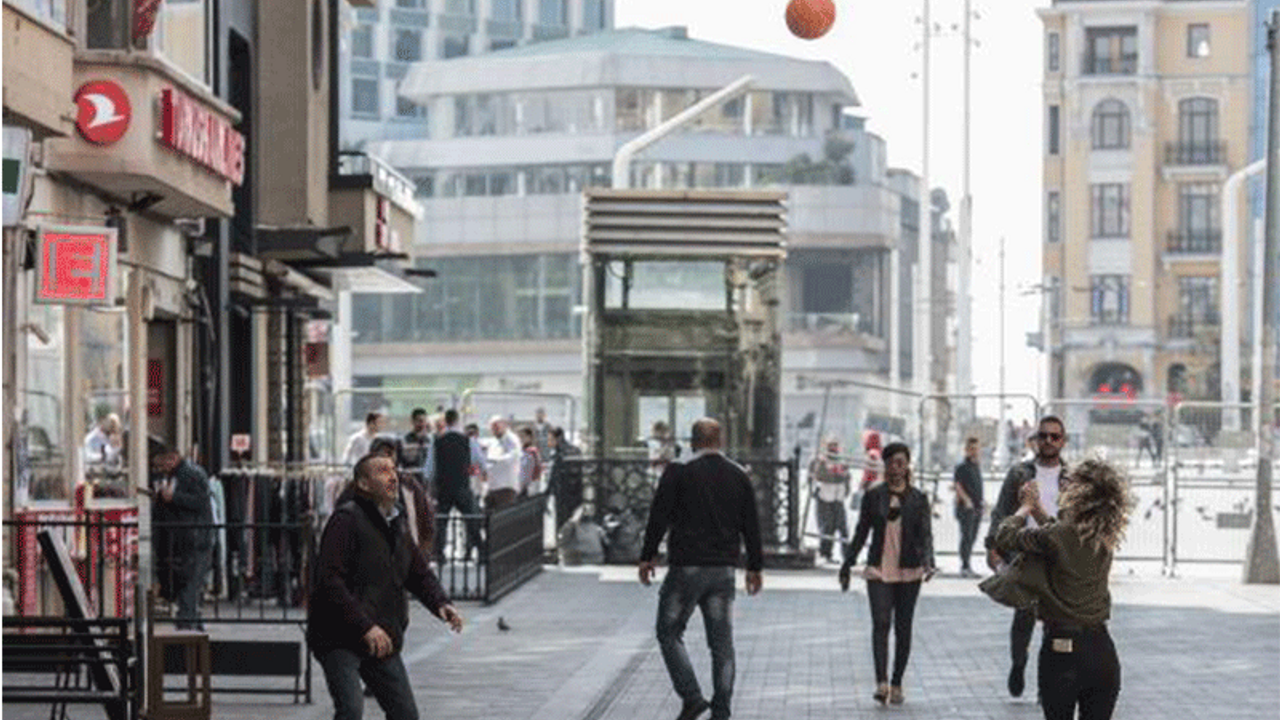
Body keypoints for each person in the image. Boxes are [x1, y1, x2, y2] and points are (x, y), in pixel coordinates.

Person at [308, 453, 464, 720]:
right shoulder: (345, 520)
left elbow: (417, 573)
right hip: (338, 635)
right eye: (382, 471)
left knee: (405, 714)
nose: (392, 476)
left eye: (393, 470)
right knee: (350, 710)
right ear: (364, 484)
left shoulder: (397, 523)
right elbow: (330, 582)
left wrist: (441, 603)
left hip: (382, 633)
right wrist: (365, 626)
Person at [639, 418, 763, 720]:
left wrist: (648, 556)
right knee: (721, 643)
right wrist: (754, 567)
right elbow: (751, 524)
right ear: (720, 440)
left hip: (687, 567)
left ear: (693, 441)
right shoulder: (738, 474)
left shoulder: (678, 471)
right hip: (723, 570)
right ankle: (721, 709)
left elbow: (659, 515)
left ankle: (692, 697)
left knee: (668, 631)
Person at [989, 458, 1132, 720]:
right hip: (1102, 651)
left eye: (1069, 481)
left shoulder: (1059, 535)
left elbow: (1005, 537)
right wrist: (1038, 510)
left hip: (1062, 652)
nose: (1063, 483)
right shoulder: (1102, 533)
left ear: (1082, 492)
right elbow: (1060, 535)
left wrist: (1024, 508)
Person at [839, 442, 935, 706]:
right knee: (881, 625)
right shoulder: (873, 496)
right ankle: (881, 683)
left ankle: (896, 683)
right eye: (891, 463)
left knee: (903, 629)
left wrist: (929, 562)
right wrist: (847, 563)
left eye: (901, 463)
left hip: (909, 570)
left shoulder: (918, 498)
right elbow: (861, 533)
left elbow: (925, 535)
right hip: (879, 569)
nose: (896, 468)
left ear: (907, 466)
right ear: (885, 465)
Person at [985, 415, 1070, 700]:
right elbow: (1001, 511)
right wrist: (992, 546)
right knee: (1023, 617)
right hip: (1024, 551)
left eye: (1054, 436)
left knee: (1055, 623)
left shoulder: (1072, 477)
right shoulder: (1019, 473)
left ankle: (1048, 681)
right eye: (1043, 436)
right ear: (1035, 440)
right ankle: (1018, 664)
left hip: (1055, 556)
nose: (1048, 441)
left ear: (1063, 441)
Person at [149, 442, 213, 630]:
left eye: (162, 464)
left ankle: (187, 627)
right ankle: (192, 623)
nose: (160, 469)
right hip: (186, 540)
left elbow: (200, 502)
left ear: (172, 458)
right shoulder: (178, 474)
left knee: (189, 587)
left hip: (194, 540)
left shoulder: (191, 474)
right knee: (188, 588)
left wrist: (173, 498)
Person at [432, 409, 485, 563]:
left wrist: (431, 484)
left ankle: (439, 554)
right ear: (457, 420)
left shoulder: (437, 440)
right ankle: (480, 551)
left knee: (442, 521)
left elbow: (430, 467)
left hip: (443, 487)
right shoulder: (467, 440)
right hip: (462, 485)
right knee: (471, 519)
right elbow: (480, 461)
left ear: (446, 421)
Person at [810, 438, 851, 564]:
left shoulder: (842, 461)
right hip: (824, 497)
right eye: (831, 446)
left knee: (842, 528)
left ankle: (847, 555)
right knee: (827, 527)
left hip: (838, 497)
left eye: (835, 446)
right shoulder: (820, 460)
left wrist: (844, 482)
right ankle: (825, 553)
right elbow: (816, 476)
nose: (833, 449)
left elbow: (847, 477)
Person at [953, 436, 984, 578]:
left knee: (973, 536)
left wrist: (982, 503)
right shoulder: (961, 466)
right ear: (966, 450)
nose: (975, 451)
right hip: (966, 508)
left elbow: (977, 486)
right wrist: (966, 500)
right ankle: (965, 566)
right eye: (972, 449)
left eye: (977, 449)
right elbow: (958, 486)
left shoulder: (976, 466)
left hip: (977, 507)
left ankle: (968, 564)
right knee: (966, 536)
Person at [547, 426, 582, 531]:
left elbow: (554, 475)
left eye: (550, 439)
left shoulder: (559, 453)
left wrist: (548, 491)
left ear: (558, 439)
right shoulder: (575, 450)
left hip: (563, 492)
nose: (549, 443)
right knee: (574, 520)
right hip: (576, 491)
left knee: (562, 522)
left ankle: (563, 543)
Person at [484, 416, 521, 512]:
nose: (494, 430)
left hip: (505, 487)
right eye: (492, 428)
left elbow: (511, 457)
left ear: (504, 425)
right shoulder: (493, 441)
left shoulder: (511, 439)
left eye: (496, 427)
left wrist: (494, 461)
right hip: (492, 486)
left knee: (503, 519)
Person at [400, 408, 434, 485]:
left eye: (424, 421)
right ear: (412, 421)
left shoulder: (430, 441)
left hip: (427, 484)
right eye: (419, 421)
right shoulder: (404, 441)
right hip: (410, 484)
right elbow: (400, 464)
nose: (422, 424)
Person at [516, 426, 543, 496]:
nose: (520, 439)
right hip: (519, 487)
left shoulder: (531, 452)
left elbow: (530, 472)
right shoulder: (519, 451)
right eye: (518, 437)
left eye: (523, 436)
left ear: (529, 437)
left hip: (528, 489)